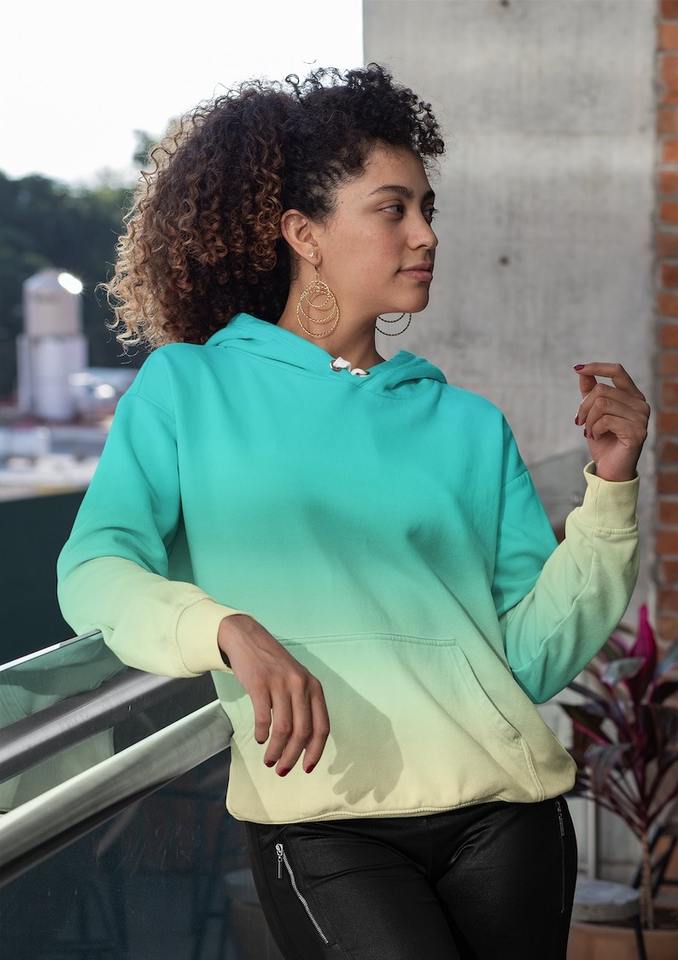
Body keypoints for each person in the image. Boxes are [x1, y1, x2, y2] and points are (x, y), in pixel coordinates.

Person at [56, 63, 648, 959]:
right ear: (305, 233)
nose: (426, 234)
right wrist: (226, 630)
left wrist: (610, 492)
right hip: (323, 819)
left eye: (428, 209)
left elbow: (529, 659)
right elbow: (94, 568)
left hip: (508, 817)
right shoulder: (188, 387)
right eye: (393, 209)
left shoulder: (467, 424)